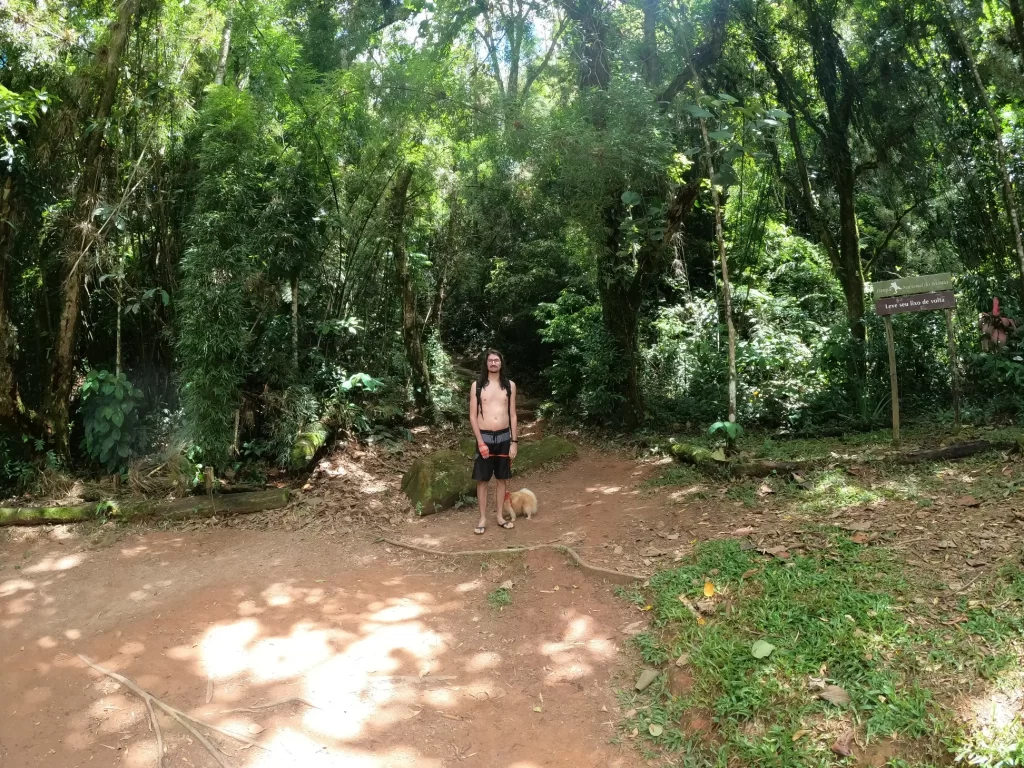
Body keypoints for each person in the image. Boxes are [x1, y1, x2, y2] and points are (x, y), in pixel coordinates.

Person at [469, 349, 518, 534]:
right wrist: (480, 442)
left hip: (505, 438)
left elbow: (513, 414)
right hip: (485, 438)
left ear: (501, 363)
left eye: (497, 360)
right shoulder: (477, 386)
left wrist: (514, 441)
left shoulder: (510, 386)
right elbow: (472, 416)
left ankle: (499, 516)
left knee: (501, 479)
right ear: (486, 363)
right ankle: (482, 518)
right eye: (490, 360)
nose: (493, 363)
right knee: (482, 480)